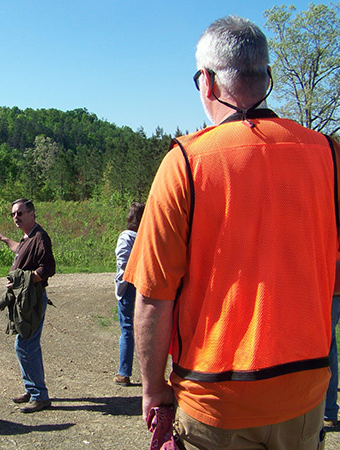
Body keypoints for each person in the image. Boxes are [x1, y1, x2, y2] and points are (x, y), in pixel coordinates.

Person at [126, 16, 339, 449]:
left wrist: (153, 389)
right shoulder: (329, 157)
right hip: (305, 393)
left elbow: (152, 296)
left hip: (214, 399)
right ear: (268, 79)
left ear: (206, 82)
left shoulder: (186, 162)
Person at [0, 199, 55, 413]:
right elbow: (20, 251)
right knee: (26, 344)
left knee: (26, 345)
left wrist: (22, 279)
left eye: (20, 213)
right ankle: (32, 389)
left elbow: (48, 268)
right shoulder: (28, 237)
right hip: (25, 300)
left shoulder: (40, 237)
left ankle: (39, 395)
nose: (16, 217)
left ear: (32, 213)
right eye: (13, 214)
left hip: (33, 299)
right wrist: (4, 239)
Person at [113, 202, 144, 387]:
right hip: (145, 285)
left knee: (127, 330)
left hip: (130, 286)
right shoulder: (147, 237)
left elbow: (123, 263)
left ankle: (124, 373)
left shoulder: (127, 236)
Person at [326, 295, 340, 427]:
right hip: (332, 295)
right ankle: (329, 412)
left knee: (326, 352)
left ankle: (329, 411)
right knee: (329, 349)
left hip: (328, 294)